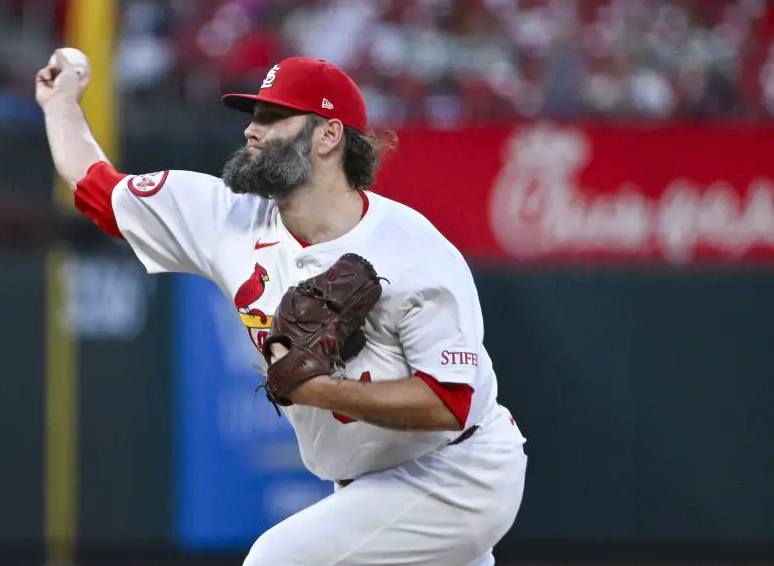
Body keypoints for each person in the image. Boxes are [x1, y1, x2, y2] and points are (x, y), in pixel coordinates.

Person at [36, 51, 527, 566]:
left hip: (457, 472)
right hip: (368, 487)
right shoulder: (227, 217)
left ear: (328, 135)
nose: (252, 130)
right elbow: (97, 188)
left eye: (273, 117)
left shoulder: (414, 252)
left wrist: (321, 391)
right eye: (253, 115)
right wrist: (60, 102)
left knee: (276, 559)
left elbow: (449, 405)